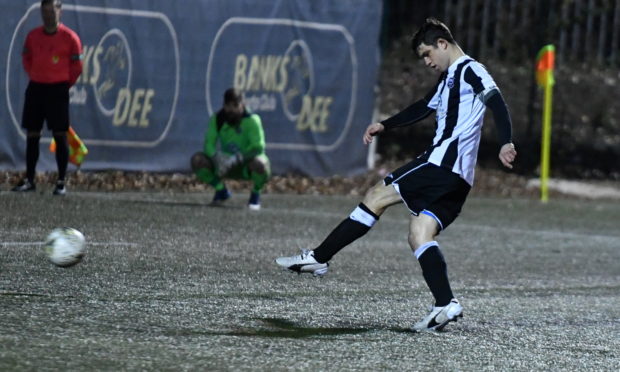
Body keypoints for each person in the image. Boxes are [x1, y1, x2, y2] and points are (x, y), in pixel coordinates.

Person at [275, 18, 517, 332]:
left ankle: (319, 257)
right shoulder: (448, 79)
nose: (427, 62)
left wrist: (506, 140)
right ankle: (445, 304)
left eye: (427, 54)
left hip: (440, 164)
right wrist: (386, 125)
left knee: (376, 195)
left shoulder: (471, 70)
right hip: (458, 179)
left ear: (442, 44)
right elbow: (421, 107)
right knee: (419, 233)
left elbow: (496, 101)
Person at [12, 0, 83, 196]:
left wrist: (62, 83)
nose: (48, 16)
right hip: (36, 89)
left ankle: (61, 181)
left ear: (60, 11)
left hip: (58, 91)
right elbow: (26, 59)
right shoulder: (33, 36)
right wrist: (37, 74)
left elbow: (77, 67)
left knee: (60, 135)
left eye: (51, 11)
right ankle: (29, 179)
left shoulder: (70, 38)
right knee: (32, 134)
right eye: (45, 12)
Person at [191, 88, 270, 210]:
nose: (231, 110)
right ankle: (220, 190)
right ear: (224, 105)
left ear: (242, 105)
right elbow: (208, 144)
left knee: (262, 164)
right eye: (228, 106)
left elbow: (258, 148)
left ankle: (255, 194)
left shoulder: (252, 120)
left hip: (245, 166)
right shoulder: (217, 119)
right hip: (224, 165)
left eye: (235, 105)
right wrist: (216, 157)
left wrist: (238, 158)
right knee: (197, 160)